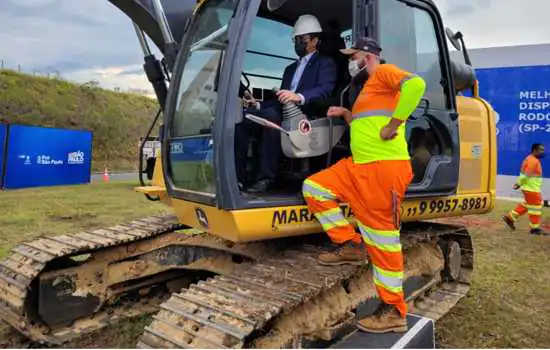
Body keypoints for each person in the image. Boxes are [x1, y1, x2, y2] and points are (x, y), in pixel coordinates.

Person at [301, 37, 426, 333]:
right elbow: (367, 122)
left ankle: (393, 310)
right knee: (315, 187)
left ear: (367, 56)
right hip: (358, 166)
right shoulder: (368, 89)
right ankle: (350, 243)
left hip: (382, 170)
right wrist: (347, 115)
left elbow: (416, 85)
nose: (350, 60)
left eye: (353, 55)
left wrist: (393, 125)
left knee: (383, 241)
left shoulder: (383, 73)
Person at [235, 14, 337, 194]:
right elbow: (279, 98)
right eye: (296, 40)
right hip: (282, 110)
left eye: (302, 39)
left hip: (306, 112)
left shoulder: (325, 64)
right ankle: (240, 178)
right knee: (244, 120)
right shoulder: (289, 69)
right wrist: (257, 105)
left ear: (314, 40)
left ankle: (267, 178)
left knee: (272, 118)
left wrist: (298, 96)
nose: (298, 43)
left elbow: (325, 89)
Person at [503, 143, 548, 235]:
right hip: (531, 189)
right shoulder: (533, 161)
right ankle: (535, 229)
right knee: (536, 207)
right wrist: (518, 184)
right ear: (535, 150)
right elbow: (527, 175)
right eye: (541, 150)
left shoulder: (530, 159)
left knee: (528, 204)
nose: (543, 152)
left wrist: (520, 184)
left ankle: (510, 217)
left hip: (529, 187)